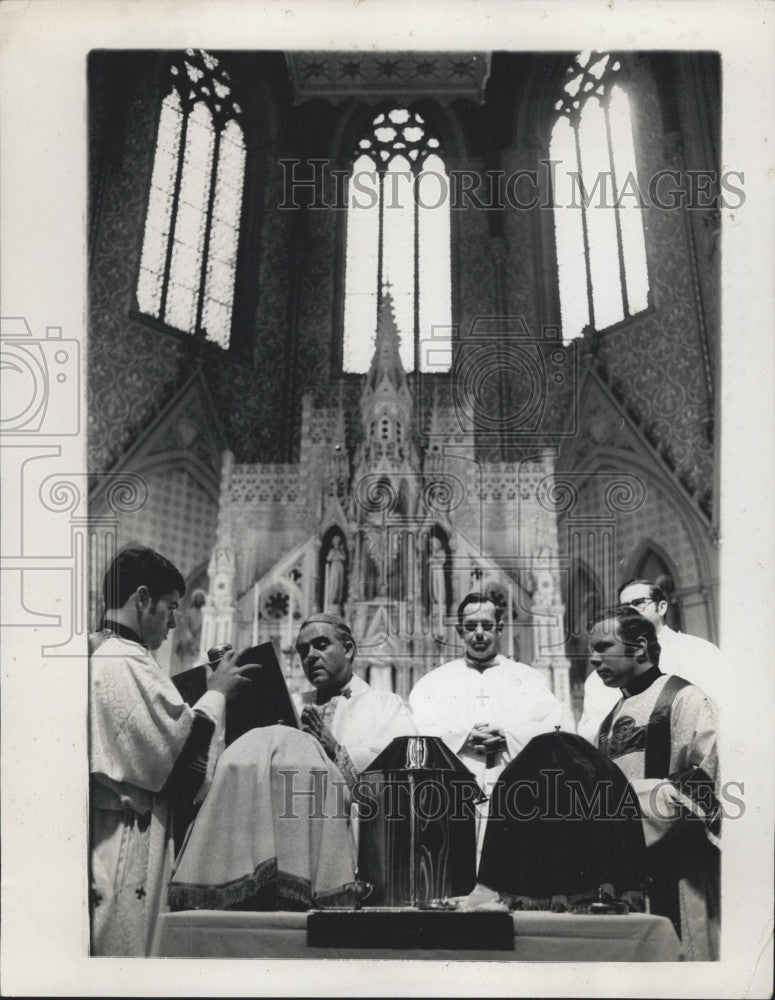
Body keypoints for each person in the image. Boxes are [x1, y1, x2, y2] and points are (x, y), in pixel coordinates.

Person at [89, 547, 253, 956]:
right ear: (142, 599)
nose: (176, 620)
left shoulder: (106, 653)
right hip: (125, 838)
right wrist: (217, 693)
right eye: (170, 607)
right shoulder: (126, 661)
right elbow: (179, 765)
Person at [588, 605, 720, 959]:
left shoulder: (685, 698)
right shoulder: (610, 719)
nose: (593, 659)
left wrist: (629, 806)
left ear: (641, 648)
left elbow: (707, 780)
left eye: (602, 647)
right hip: (628, 873)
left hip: (679, 870)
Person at [408, 593, 562, 852]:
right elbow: (416, 731)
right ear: (459, 631)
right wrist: (462, 738)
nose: (479, 634)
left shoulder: (528, 679)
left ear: (500, 628)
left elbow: (553, 727)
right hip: (453, 795)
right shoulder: (434, 682)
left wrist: (507, 736)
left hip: (516, 791)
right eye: (470, 627)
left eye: (487, 626)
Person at [578, 579, 723, 744]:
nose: (631, 610)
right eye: (624, 606)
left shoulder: (700, 651)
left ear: (661, 607)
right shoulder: (601, 674)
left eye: (639, 603)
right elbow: (592, 731)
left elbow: (717, 711)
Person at [293, 613, 417, 786]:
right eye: (303, 650)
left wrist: (336, 752)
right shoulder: (294, 704)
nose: (310, 656)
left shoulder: (387, 707)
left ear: (348, 649)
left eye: (321, 645)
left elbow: (404, 774)